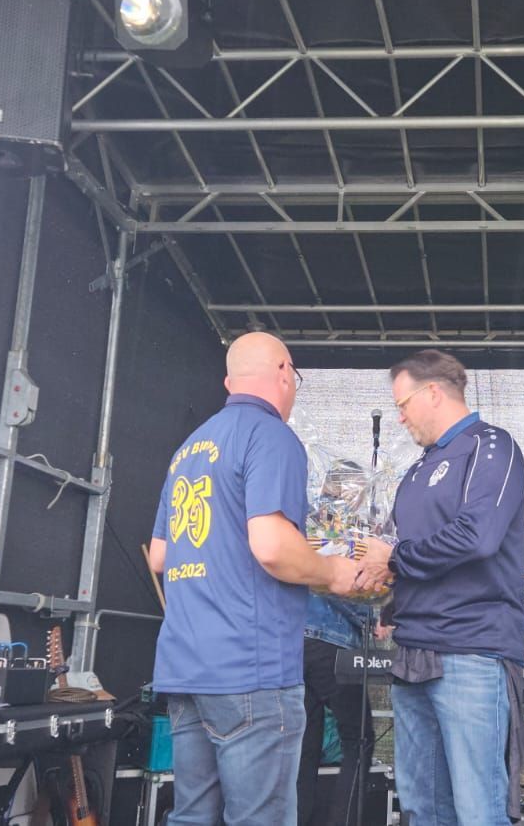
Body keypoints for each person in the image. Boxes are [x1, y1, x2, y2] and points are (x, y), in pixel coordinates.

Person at [146, 332, 361, 826]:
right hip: (249, 666)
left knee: (192, 817)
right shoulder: (271, 435)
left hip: (185, 666)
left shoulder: (188, 449)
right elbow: (272, 547)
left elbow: (160, 555)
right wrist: (333, 571)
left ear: (230, 382)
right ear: (285, 371)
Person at [353, 350, 524, 826]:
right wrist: (374, 582)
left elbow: (477, 536)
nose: (400, 417)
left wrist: (393, 558)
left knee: (478, 809)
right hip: (413, 651)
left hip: (470, 650)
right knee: (421, 806)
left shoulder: (491, 446)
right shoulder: (416, 470)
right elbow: (404, 550)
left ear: (432, 392)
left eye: (403, 404)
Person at [299, 461, 378, 826]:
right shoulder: (340, 527)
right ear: (351, 490)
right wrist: (372, 618)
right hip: (331, 645)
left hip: (295, 643)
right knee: (359, 739)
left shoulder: (303, 523)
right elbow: (337, 584)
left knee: (304, 745)